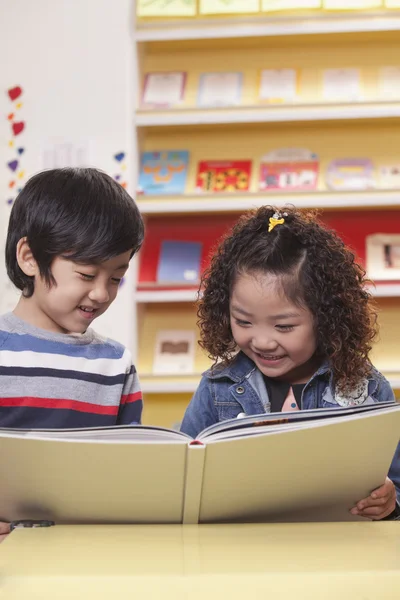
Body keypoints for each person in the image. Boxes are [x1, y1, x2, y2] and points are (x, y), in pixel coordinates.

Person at [181, 205, 400, 520]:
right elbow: (186, 482)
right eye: (243, 321)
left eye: (283, 326)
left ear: (326, 318)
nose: (263, 341)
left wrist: (390, 502)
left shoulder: (366, 387)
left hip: (338, 554)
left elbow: (395, 486)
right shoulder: (218, 389)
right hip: (242, 554)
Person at [0, 167, 144, 429]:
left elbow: (128, 455)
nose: (102, 294)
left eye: (115, 278)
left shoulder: (115, 365)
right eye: (87, 275)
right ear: (30, 259)